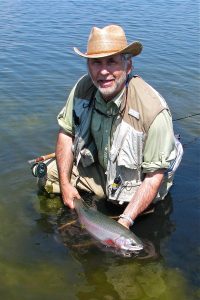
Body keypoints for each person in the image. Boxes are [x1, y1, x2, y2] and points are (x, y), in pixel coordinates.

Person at [37, 24, 183, 229]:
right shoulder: (82, 88)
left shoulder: (153, 111)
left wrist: (124, 222)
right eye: (96, 63)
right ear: (88, 66)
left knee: (126, 222)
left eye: (112, 62)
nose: (103, 71)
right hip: (101, 172)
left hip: (139, 183)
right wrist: (65, 185)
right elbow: (66, 133)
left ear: (128, 66)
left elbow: (153, 176)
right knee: (45, 175)